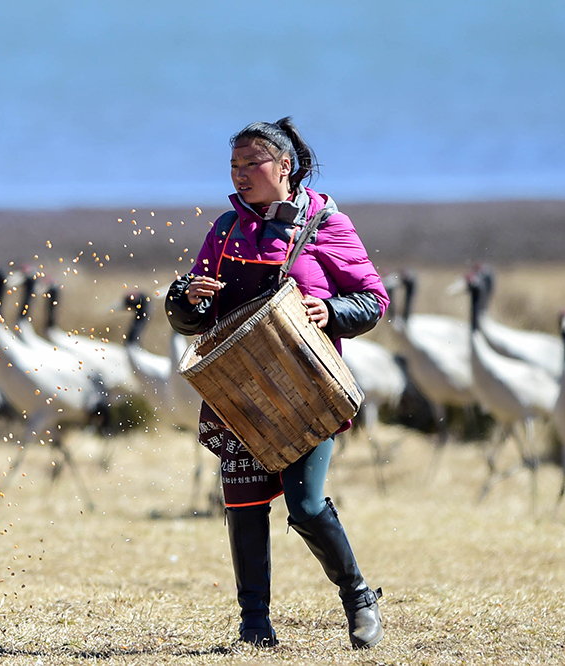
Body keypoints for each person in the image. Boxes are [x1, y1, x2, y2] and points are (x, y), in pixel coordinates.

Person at [165, 117, 390, 649]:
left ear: (284, 166)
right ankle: (254, 626)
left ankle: (358, 596)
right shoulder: (223, 229)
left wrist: (329, 310)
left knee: (307, 506)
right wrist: (186, 299)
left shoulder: (326, 224)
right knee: (244, 508)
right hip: (237, 392)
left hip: (305, 390)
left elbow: (374, 301)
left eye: (252, 164)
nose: (241, 175)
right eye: (234, 166)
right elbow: (193, 320)